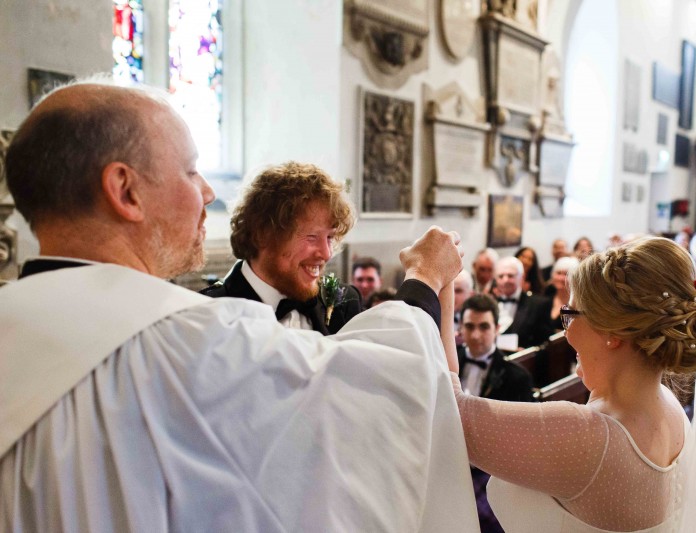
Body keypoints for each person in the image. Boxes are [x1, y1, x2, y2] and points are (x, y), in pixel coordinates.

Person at [0, 81, 479, 532]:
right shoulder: (189, 344)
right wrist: (424, 278)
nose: (208, 192)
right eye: (190, 170)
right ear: (125, 190)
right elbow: (375, 396)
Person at [442, 236, 696, 532]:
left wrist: (437, 282)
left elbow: (450, 411)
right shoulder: (668, 406)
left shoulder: (587, 434)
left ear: (613, 332)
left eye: (571, 314)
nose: (566, 332)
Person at [200, 162, 362, 335]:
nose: (326, 253)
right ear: (262, 235)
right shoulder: (207, 315)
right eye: (312, 237)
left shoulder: (345, 303)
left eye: (329, 237)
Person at [456, 294, 533, 533]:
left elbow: (522, 437)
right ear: (460, 327)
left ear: (497, 328)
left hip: (491, 472)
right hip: (450, 460)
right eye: (469, 326)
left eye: (484, 327)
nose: (476, 335)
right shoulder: (445, 364)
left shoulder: (517, 377)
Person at [493, 256, 551, 350]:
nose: (505, 280)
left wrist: (526, 353)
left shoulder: (538, 305)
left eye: (510, 276)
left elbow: (545, 345)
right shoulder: (490, 304)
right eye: (500, 276)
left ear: (522, 277)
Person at [544, 256, 580, 333]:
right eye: (558, 273)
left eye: (566, 274)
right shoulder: (545, 297)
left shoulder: (577, 305)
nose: (561, 278)